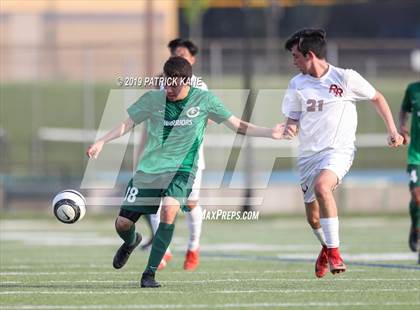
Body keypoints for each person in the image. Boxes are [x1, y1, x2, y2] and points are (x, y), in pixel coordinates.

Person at [87, 56, 285, 288]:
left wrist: (269, 132)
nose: (169, 89)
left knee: (169, 212)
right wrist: (101, 141)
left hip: (182, 170)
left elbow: (237, 125)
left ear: (187, 81)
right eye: (167, 83)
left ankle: (149, 274)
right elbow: (127, 123)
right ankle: (131, 242)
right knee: (122, 224)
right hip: (149, 170)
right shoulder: (153, 99)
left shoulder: (205, 100)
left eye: (174, 84)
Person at [281, 28, 404, 278]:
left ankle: (335, 254)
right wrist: (289, 129)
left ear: (310, 55)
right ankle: (326, 245)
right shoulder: (296, 84)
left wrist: (393, 130)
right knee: (313, 219)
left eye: (296, 56)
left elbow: (377, 97)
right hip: (307, 157)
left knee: (322, 188)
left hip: (338, 151)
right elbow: (292, 120)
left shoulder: (345, 78)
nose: (293, 62)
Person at [145, 39, 208, 271]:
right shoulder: (161, 85)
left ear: (192, 59)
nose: (177, 57)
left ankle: (193, 247)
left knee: (190, 204)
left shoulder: (200, 86)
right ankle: (163, 251)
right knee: (155, 201)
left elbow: (210, 115)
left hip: (190, 158)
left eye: (181, 54)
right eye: (173, 54)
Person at [399, 81, 420, 263]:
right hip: (416, 155)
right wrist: (402, 126)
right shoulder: (412, 89)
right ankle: (415, 226)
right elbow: (404, 110)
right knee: (417, 197)